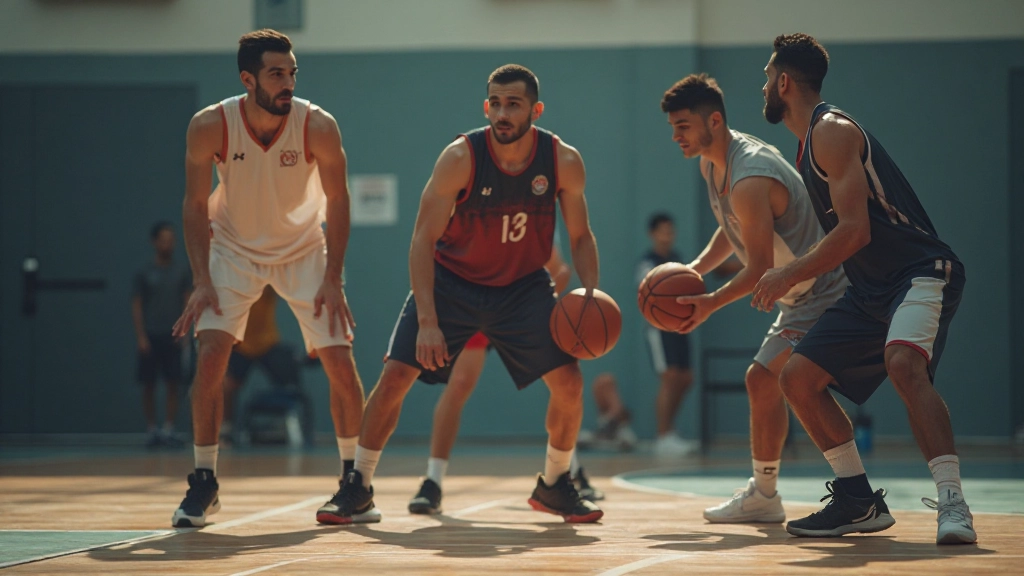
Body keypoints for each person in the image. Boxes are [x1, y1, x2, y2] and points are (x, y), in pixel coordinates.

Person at [317, 64, 604, 525]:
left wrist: (590, 292)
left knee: (569, 383)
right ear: (485, 104)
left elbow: (581, 236)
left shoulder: (561, 159)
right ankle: (358, 485)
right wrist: (428, 320)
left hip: (523, 287)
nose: (503, 112)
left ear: (536, 109)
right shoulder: (460, 157)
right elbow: (421, 241)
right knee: (395, 378)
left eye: (513, 103)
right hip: (453, 282)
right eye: (495, 102)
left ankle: (554, 483)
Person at [754, 33, 975, 544]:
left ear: (783, 81)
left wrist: (786, 273)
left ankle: (953, 503)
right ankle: (857, 500)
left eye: (767, 76)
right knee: (798, 378)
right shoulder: (808, 141)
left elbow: (856, 231)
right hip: (872, 286)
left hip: (919, 269)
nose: (763, 85)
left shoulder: (830, 130)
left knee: (903, 364)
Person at [170, 29, 365, 528]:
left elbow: (339, 201)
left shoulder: (317, 125)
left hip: (303, 249)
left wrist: (334, 278)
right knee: (211, 355)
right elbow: (194, 205)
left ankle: (356, 482)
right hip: (233, 249)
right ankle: (204, 481)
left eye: (292, 72)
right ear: (247, 78)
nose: (288, 82)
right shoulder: (210, 125)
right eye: (277, 73)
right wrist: (200, 278)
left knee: (338, 360)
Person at [661, 73, 848, 524]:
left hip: (829, 290)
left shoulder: (748, 174)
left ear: (715, 120)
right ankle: (766, 494)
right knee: (765, 381)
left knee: (780, 380)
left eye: (684, 125)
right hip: (799, 295)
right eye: (673, 128)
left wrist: (709, 302)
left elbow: (759, 267)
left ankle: (850, 488)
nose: (676, 136)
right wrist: (694, 271)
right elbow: (733, 231)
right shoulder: (714, 161)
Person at [406, 247, 605, 513]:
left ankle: (568, 473)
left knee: (563, 385)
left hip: (518, 309)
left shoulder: (532, 215)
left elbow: (562, 269)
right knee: (460, 384)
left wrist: (532, 313)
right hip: (477, 307)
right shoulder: (474, 218)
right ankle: (433, 480)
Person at [636, 213, 699, 457]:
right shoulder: (647, 263)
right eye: (662, 231)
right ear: (652, 234)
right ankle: (662, 436)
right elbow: (646, 295)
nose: (667, 236)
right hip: (659, 330)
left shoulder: (677, 261)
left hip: (681, 326)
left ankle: (670, 433)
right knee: (670, 376)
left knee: (686, 378)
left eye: (670, 231)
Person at [132, 221, 191, 448]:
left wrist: (184, 332)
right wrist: (141, 336)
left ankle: (168, 428)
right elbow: (137, 305)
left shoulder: (181, 271)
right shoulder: (145, 273)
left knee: (173, 383)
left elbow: (187, 301)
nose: (168, 244)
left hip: (173, 335)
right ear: (154, 242)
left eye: (171, 240)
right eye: (163, 239)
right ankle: (151, 429)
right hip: (151, 335)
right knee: (148, 383)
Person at [221, 286, 301, 445]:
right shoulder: (236, 281)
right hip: (242, 345)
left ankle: (290, 425)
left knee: (289, 385)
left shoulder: (268, 284)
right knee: (227, 386)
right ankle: (226, 430)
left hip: (268, 343)